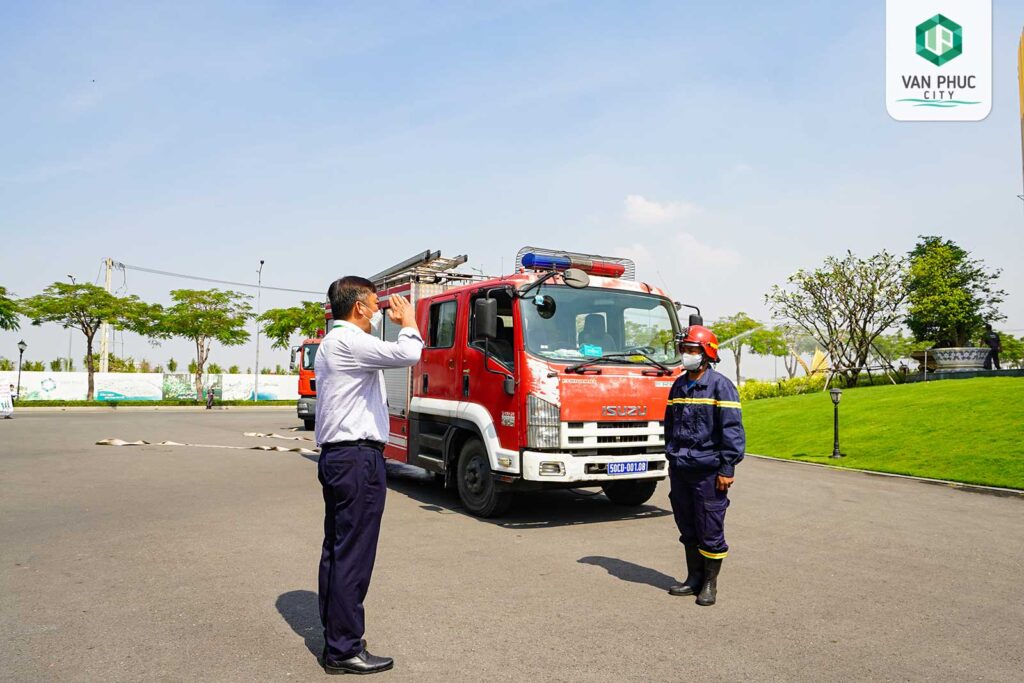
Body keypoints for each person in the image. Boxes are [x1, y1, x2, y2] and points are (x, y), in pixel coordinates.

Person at [315, 276, 423, 675]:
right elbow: (409, 354)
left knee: (339, 550)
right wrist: (409, 320)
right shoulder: (349, 341)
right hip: (356, 458)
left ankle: (336, 637)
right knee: (353, 554)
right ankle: (344, 649)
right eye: (376, 304)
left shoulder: (334, 342)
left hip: (342, 458)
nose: (380, 311)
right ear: (358, 306)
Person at [664, 325, 745, 606]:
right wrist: (671, 457)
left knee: (710, 527)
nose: (686, 355)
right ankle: (693, 578)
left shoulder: (721, 385)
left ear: (706, 354)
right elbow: (670, 426)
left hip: (709, 472)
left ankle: (710, 584)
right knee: (687, 526)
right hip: (681, 469)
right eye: (684, 349)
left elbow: (732, 430)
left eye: (692, 350)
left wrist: (727, 469)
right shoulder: (678, 384)